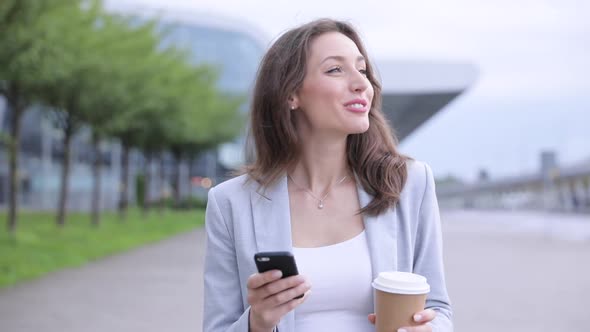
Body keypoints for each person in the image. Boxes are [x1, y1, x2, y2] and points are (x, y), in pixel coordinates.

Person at [203, 18, 452, 332]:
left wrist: (429, 329)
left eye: (362, 70)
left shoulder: (409, 183)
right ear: (290, 94)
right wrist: (257, 323)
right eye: (336, 69)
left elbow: (439, 309)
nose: (362, 83)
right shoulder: (230, 203)